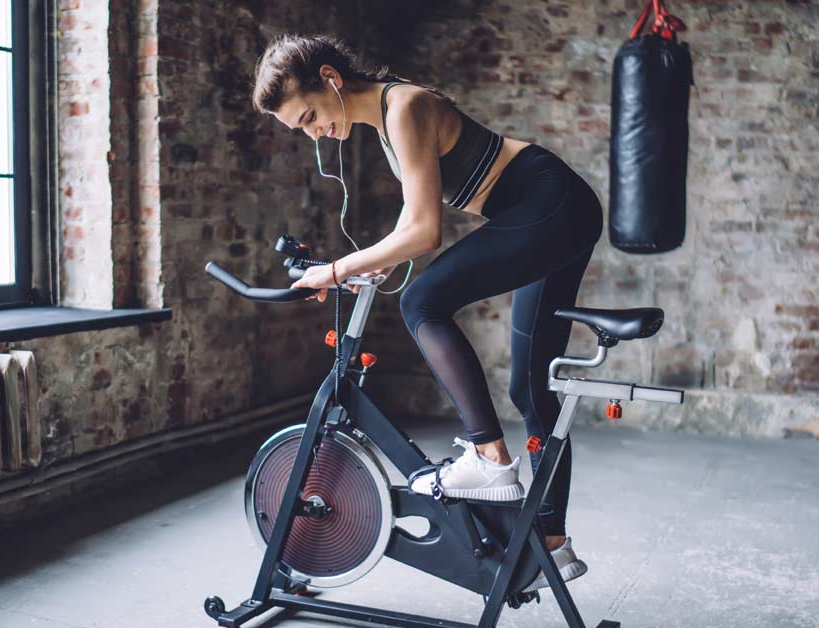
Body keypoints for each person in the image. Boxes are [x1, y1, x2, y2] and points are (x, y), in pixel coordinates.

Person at [252, 34, 602, 590]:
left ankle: (489, 459)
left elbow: (424, 231)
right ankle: (553, 545)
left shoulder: (404, 107)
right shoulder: (389, 118)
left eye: (311, 115)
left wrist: (338, 269)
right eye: (303, 129)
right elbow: (410, 224)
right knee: (533, 389)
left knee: (423, 302)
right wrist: (375, 267)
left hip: (548, 202)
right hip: (558, 208)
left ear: (332, 78)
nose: (316, 134)